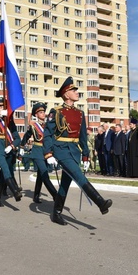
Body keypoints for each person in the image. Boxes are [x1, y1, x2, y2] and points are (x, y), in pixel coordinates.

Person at [43, 76, 112, 225]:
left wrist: (86, 155)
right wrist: (48, 153)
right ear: (66, 94)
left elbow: (82, 137)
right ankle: (100, 202)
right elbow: (48, 134)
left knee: (65, 183)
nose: (76, 92)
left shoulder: (80, 113)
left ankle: (56, 213)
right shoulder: (55, 112)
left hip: (74, 151)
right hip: (60, 149)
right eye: (73, 90)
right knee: (78, 175)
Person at [20, 102, 58, 204]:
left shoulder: (48, 125)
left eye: (43, 112)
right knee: (45, 174)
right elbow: (26, 136)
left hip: (46, 152)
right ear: (36, 115)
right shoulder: (34, 126)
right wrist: (22, 146)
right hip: (37, 152)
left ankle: (36, 195)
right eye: (40, 112)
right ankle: (55, 195)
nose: (43, 114)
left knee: (41, 175)